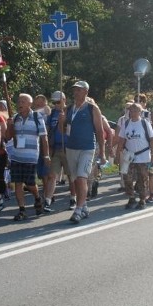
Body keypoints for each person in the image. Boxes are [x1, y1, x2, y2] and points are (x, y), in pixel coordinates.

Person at [57, 80, 105, 224]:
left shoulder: (92, 108)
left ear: (85, 91)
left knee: (82, 177)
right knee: (76, 179)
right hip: (71, 147)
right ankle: (83, 205)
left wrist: (102, 151)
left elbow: (100, 131)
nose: (76, 92)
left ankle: (78, 210)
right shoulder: (69, 108)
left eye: (79, 90)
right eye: (75, 90)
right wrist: (61, 121)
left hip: (87, 148)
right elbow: (62, 131)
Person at [5, 93, 50, 221]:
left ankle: (37, 197)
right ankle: (22, 210)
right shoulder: (15, 118)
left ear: (30, 104)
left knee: (30, 183)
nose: (20, 104)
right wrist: (9, 126)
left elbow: (44, 137)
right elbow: (7, 137)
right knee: (18, 183)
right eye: (19, 101)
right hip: (16, 156)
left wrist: (46, 155)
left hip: (31, 157)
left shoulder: (37, 117)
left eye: (23, 101)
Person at [117, 103, 153, 210]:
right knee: (127, 177)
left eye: (134, 110)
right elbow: (121, 139)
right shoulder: (126, 123)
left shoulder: (145, 123)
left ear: (140, 112)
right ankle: (131, 197)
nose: (132, 112)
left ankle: (142, 200)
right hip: (129, 155)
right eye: (130, 110)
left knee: (142, 178)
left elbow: (152, 140)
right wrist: (117, 154)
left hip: (143, 155)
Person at [43, 90, 74, 209]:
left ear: (64, 100)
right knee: (52, 175)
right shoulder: (52, 115)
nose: (56, 104)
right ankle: (48, 200)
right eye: (54, 102)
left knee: (71, 176)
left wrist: (64, 122)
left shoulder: (70, 112)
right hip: (56, 148)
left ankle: (73, 198)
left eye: (58, 102)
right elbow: (49, 130)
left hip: (68, 148)